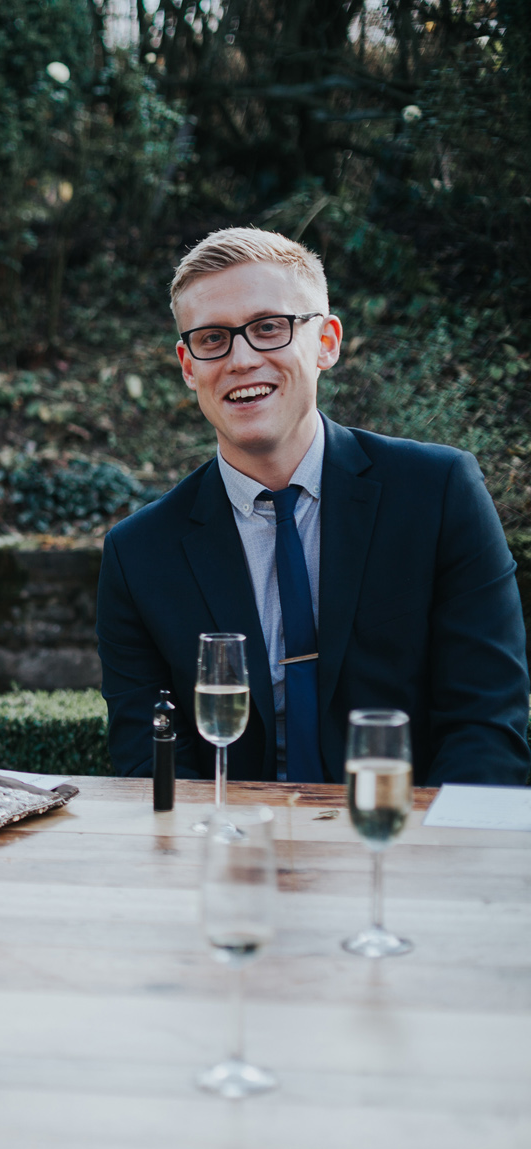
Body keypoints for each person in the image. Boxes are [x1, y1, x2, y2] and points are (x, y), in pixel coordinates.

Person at [97, 227, 529, 785]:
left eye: (270, 328)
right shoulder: (138, 554)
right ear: (188, 365)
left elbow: (486, 723)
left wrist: (426, 859)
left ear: (326, 341)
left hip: (402, 844)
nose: (242, 359)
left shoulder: (439, 492)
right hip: (231, 853)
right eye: (212, 340)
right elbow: (150, 758)